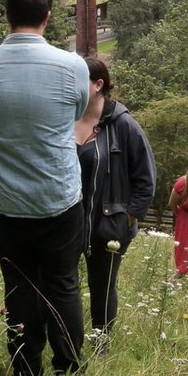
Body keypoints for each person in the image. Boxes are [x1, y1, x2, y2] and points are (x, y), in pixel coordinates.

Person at [0, 0, 91, 376]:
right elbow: (78, 111)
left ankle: (25, 370)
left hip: (6, 199)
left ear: (7, 15)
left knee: (18, 285)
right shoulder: (73, 67)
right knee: (63, 284)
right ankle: (70, 368)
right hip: (58, 195)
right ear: (48, 17)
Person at [75, 57, 156, 350]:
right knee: (61, 281)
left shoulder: (124, 125)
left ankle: (101, 345)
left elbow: (146, 181)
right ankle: (65, 339)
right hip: (68, 221)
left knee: (102, 285)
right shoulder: (65, 118)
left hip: (109, 223)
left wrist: (127, 219)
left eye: (78, 79)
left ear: (98, 86)